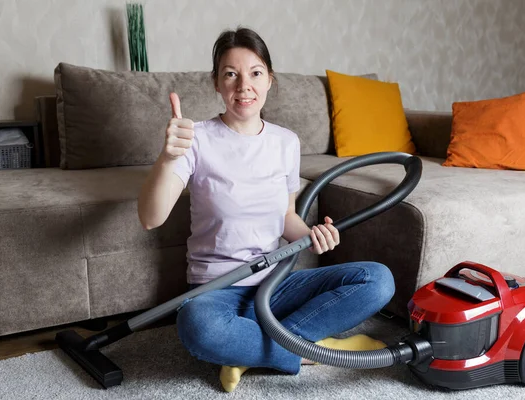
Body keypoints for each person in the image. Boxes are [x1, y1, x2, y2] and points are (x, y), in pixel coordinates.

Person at [137, 27, 395, 393]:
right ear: (216, 82)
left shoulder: (286, 142)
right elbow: (150, 217)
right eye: (231, 74)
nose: (244, 85)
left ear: (270, 80)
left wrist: (310, 236)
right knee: (197, 327)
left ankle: (248, 350)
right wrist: (168, 158)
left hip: (276, 284)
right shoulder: (196, 139)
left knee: (378, 280)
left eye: (255, 73)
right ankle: (312, 349)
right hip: (217, 290)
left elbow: (284, 217)